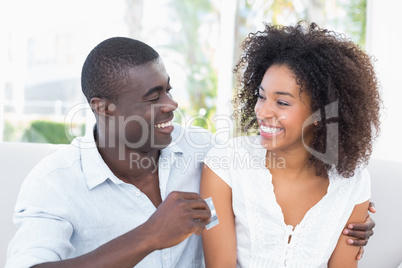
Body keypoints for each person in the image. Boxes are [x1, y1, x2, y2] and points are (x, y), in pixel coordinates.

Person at [6, 36, 374, 268]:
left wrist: (344, 216)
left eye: (167, 89)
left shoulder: (206, 151)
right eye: (154, 97)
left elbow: (270, 164)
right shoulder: (54, 182)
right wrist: (149, 235)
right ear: (103, 107)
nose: (172, 104)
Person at [200, 22, 381, 267]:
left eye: (282, 103)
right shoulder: (225, 163)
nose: (262, 112)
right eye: (261, 96)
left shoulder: (352, 181)